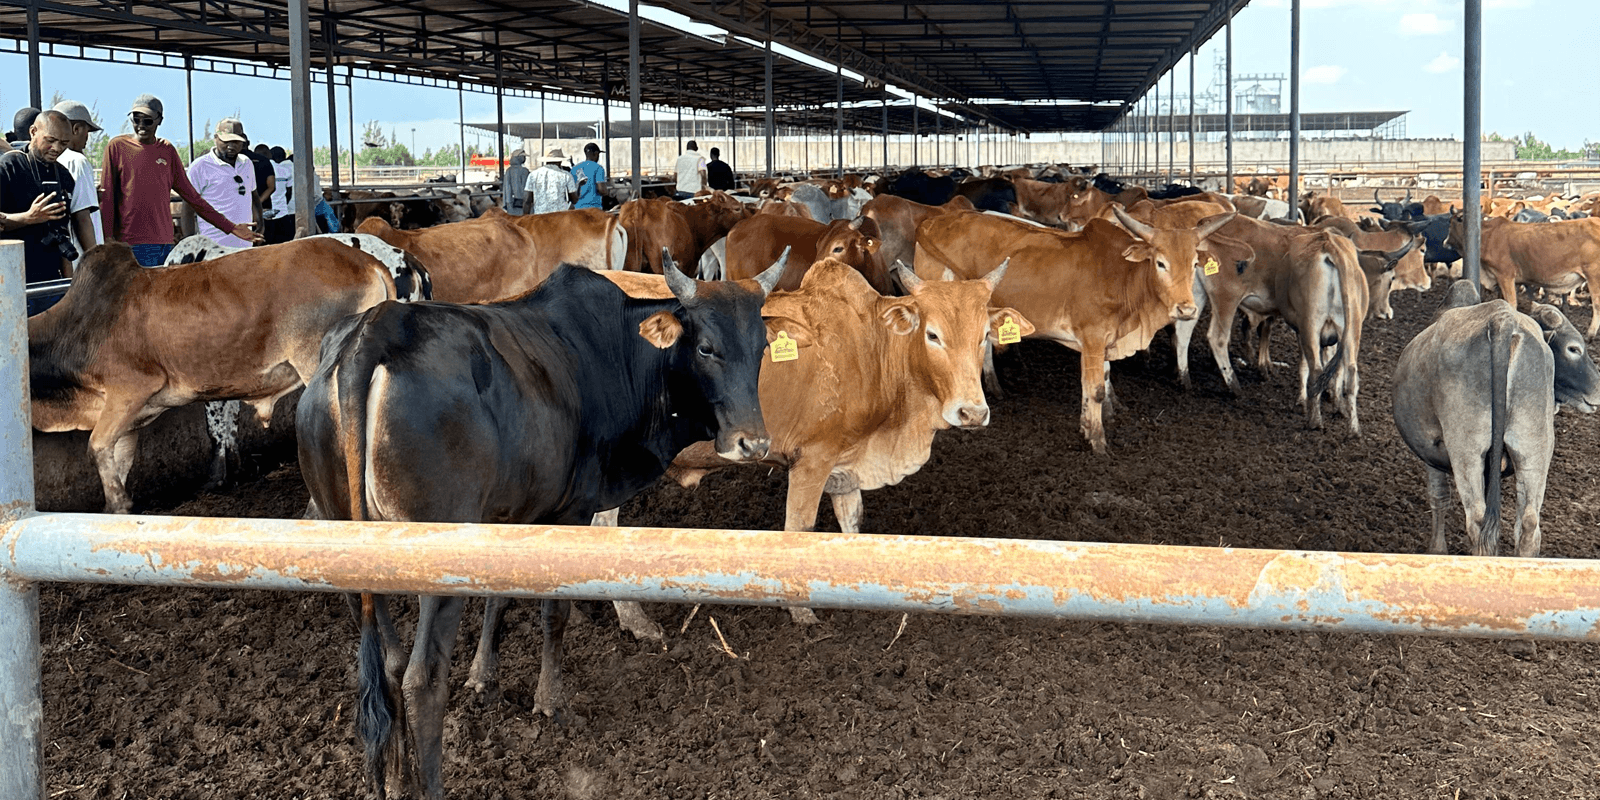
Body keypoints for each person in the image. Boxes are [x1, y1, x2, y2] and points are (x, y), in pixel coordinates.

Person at [101, 94, 259, 266]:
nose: (140, 125)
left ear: (159, 120)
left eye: (147, 121)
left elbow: (193, 197)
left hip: (164, 243)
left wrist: (231, 228)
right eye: (136, 119)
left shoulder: (167, 150)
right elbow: (107, 197)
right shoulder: (117, 147)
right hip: (130, 243)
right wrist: (107, 241)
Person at [0, 110, 77, 294]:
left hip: (50, 281)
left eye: (64, 143)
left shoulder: (63, 175)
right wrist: (28, 218)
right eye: (50, 140)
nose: (57, 148)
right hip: (11, 279)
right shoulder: (10, 166)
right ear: (33, 131)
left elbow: (62, 233)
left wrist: (69, 287)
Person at [182, 118, 263, 249]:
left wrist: (260, 222)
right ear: (216, 138)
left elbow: (253, 194)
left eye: (236, 141)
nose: (231, 146)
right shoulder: (200, 167)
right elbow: (187, 208)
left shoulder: (247, 163)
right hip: (213, 248)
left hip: (244, 246)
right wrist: (189, 244)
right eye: (226, 141)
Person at [52, 100, 102, 259]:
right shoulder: (77, 160)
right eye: (87, 131)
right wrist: (95, 260)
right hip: (80, 258)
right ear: (76, 129)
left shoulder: (50, 160)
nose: (87, 139)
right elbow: (82, 217)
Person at [524, 148, 576, 214]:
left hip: (540, 217)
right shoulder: (566, 175)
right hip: (559, 217)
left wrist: (525, 218)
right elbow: (574, 199)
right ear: (560, 161)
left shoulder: (533, 175)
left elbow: (527, 200)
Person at [262, 146, 295, 244]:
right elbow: (289, 192)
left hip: (264, 216)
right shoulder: (284, 170)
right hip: (282, 213)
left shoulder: (258, 170)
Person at [572, 142, 608, 210]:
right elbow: (601, 190)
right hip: (593, 208)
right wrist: (607, 192)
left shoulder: (574, 169)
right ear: (596, 153)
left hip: (577, 208)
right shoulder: (598, 168)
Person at [502, 149, 529, 214]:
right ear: (519, 158)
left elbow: (506, 188)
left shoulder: (508, 171)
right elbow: (527, 189)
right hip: (523, 203)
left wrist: (506, 202)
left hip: (510, 203)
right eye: (523, 157)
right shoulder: (525, 171)